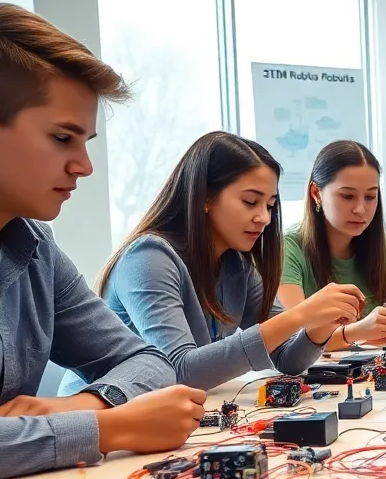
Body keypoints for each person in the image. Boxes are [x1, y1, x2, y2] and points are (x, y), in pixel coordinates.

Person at [0, 0, 206, 479]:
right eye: (63, 138)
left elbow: (148, 361)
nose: (83, 166)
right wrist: (109, 428)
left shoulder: (35, 245)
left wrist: (81, 405)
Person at [60, 132, 365, 393]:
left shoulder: (237, 265)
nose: (264, 217)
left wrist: (319, 324)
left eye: (270, 205)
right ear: (205, 197)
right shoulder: (148, 258)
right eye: (250, 202)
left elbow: (287, 359)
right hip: (101, 422)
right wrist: (298, 315)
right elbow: (179, 372)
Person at [279, 140, 386, 349]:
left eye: (370, 196)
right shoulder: (288, 248)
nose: (360, 209)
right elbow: (294, 336)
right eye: (347, 196)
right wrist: (359, 332)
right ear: (316, 193)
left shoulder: (382, 243)